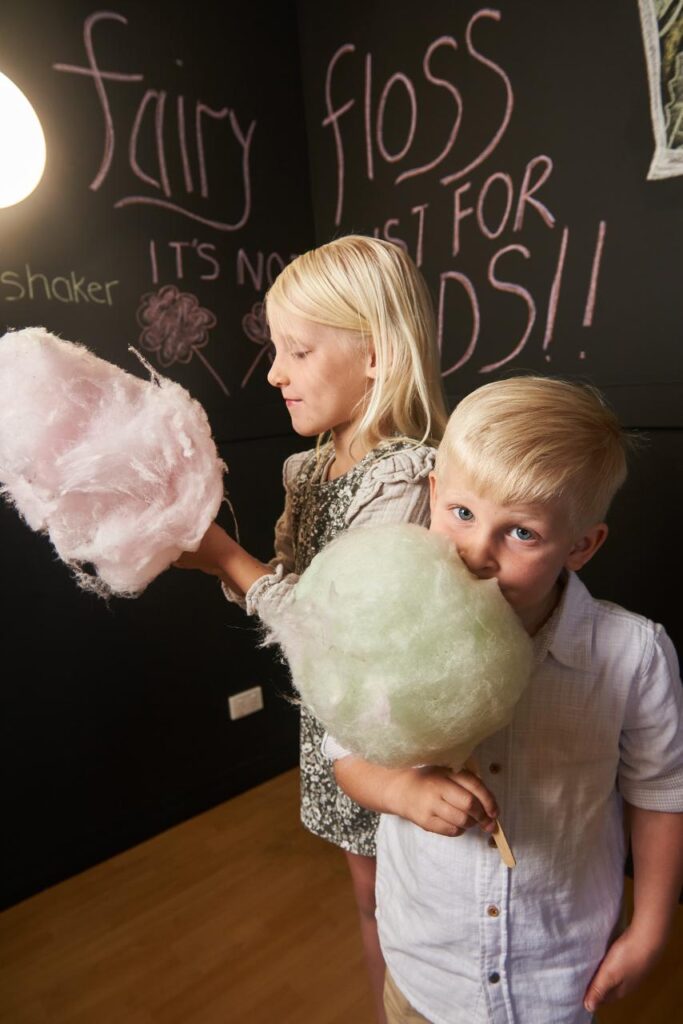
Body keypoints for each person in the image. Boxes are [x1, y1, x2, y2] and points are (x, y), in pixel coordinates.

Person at [331, 376, 683, 1024]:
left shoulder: (632, 656)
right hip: (426, 965)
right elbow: (345, 753)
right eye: (461, 514)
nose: (476, 553)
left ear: (581, 545)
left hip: (556, 972)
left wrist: (651, 927)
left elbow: (660, 792)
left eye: (520, 532)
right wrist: (403, 790)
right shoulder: (388, 630)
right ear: (433, 494)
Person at [176, 234, 448, 1022]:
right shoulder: (310, 470)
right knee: (368, 902)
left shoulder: (405, 477)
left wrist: (228, 559)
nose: (274, 373)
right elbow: (287, 595)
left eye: (298, 350)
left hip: (390, 736)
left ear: (376, 354)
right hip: (332, 727)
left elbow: (335, 628)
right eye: (277, 350)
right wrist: (211, 558)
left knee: (413, 909)